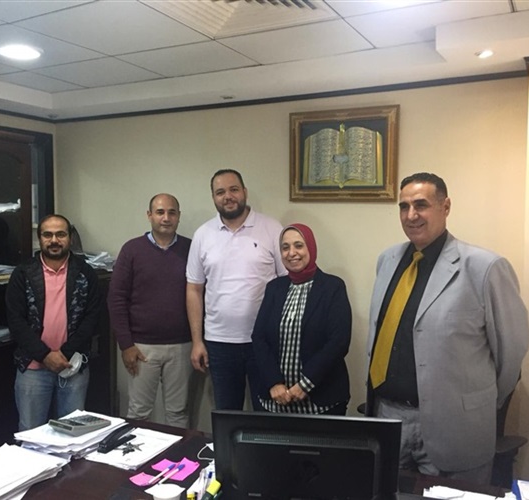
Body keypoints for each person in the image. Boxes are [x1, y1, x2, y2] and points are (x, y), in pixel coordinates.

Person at [366, 172, 529, 483]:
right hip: (388, 418)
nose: (411, 215)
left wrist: (477, 402)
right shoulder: (387, 260)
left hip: (454, 424)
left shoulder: (484, 267)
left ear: (446, 207)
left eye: (421, 205)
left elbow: (511, 352)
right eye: (403, 207)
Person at [186, 169, 287, 411]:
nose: (228, 196)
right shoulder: (203, 234)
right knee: (227, 414)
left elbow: (287, 285)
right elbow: (194, 290)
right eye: (220, 192)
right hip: (219, 343)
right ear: (213, 197)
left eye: (233, 189)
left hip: (264, 342)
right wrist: (197, 341)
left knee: (268, 414)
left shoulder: (272, 229)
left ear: (245, 192)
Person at [6, 214, 101, 431]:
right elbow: (16, 320)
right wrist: (45, 355)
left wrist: (64, 353)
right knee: (31, 433)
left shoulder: (85, 273)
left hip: (72, 365)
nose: (54, 240)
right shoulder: (23, 273)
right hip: (32, 367)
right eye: (47, 235)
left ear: (70, 238)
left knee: (73, 432)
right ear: (39, 238)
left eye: (61, 234)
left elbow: (92, 318)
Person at [108, 194, 193, 427]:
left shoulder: (191, 249)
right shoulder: (132, 250)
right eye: (160, 212)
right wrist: (126, 344)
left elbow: (202, 294)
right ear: (149, 215)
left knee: (178, 412)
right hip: (141, 347)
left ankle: (178, 451)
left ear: (178, 216)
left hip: (182, 346)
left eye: (172, 212)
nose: (166, 218)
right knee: (139, 412)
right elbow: (116, 299)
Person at [251, 224, 352, 415]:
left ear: (311, 247)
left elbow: (338, 342)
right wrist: (274, 382)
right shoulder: (274, 288)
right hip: (276, 400)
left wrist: (305, 384)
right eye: (285, 247)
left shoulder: (333, 287)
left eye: (298, 245)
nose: (292, 253)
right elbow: (259, 337)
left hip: (321, 401)